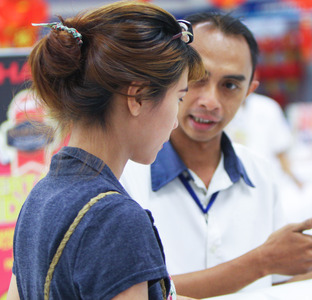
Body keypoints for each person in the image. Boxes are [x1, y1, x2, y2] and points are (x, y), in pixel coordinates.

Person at [121, 11, 312, 299]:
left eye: (230, 86)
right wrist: (261, 262)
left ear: (249, 91)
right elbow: (141, 293)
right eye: (198, 78)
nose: (210, 102)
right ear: (173, 76)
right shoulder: (127, 174)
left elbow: (279, 288)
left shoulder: (259, 173)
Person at [7, 1, 204, 299]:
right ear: (137, 97)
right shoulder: (115, 219)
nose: (175, 122)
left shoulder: (40, 197)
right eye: (178, 98)